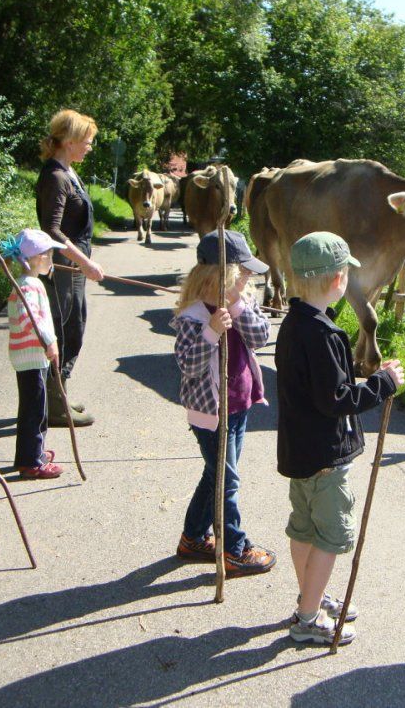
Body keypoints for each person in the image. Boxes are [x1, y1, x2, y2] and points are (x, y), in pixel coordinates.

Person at [275, 231, 404, 645]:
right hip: (326, 455)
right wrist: (382, 383)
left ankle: (309, 596)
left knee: (303, 529)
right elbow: (337, 400)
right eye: (347, 271)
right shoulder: (324, 335)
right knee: (330, 535)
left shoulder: (293, 324)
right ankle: (308, 619)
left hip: (299, 451)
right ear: (337, 279)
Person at [172, 230, 278, 577]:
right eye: (243, 273)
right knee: (227, 482)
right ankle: (233, 549)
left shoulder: (242, 302)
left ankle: (193, 537)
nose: (249, 278)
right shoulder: (193, 318)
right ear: (220, 276)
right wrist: (212, 332)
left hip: (241, 404)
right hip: (210, 414)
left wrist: (237, 306)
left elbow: (262, 337)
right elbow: (188, 367)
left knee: (215, 474)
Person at [36, 108, 104, 428]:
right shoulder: (55, 177)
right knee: (65, 330)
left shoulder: (67, 171)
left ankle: (59, 393)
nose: (90, 146)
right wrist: (85, 261)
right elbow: (51, 230)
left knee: (75, 327)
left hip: (72, 267)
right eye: (87, 140)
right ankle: (54, 404)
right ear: (70, 140)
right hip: (64, 267)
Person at [0, 229, 66, 480]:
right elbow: (32, 318)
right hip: (31, 356)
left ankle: (33, 452)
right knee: (34, 410)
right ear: (38, 258)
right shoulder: (29, 286)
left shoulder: (29, 283)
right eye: (49, 255)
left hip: (29, 356)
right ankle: (30, 463)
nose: (52, 260)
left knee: (36, 407)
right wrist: (50, 341)